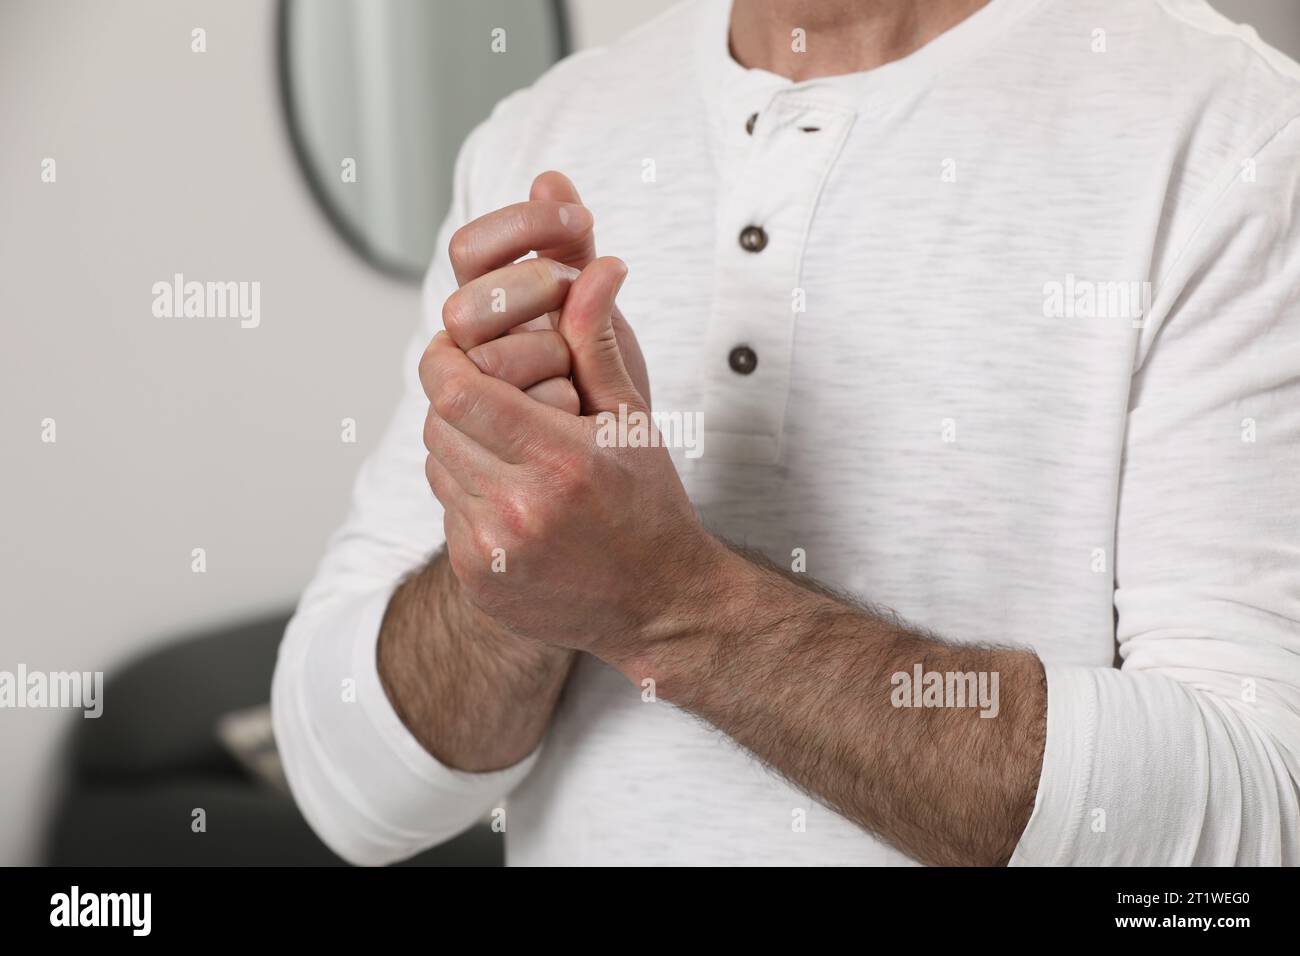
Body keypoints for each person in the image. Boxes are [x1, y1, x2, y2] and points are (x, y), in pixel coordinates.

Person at [272, 0, 1300, 865]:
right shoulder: (539, 132)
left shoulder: (1235, 133)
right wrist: (528, 557)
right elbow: (350, 797)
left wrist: (669, 603)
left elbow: (1262, 822)